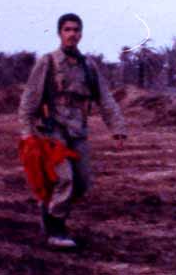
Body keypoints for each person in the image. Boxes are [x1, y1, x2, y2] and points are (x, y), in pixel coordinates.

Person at [18, 13, 127, 249]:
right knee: (64, 178)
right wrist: (26, 133)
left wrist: (118, 128)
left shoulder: (88, 66)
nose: (72, 34)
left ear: (81, 34)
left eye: (76, 30)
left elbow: (105, 98)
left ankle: (50, 210)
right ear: (60, 33)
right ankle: (56, 229)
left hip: (78, 131)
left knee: (82, 182)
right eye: (67, 29)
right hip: (51, 131)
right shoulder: (48, 62)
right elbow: (29, 99)